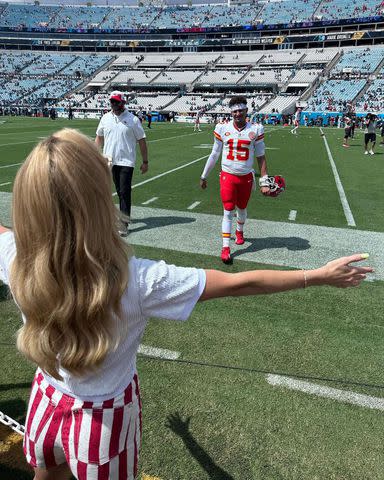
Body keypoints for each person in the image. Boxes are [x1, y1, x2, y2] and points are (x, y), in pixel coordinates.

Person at [0, 128, 373, 480]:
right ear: (99, 202)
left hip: (45, 400)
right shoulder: (137, 280)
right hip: (104, 421)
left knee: (46, 475)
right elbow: (239, 283)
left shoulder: (14, 256)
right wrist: (315, 275)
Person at [199, 95, 271, 264]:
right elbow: (215, 153)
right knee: (228, 209)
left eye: (241, 110)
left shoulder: (256, 129)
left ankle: (239, 231)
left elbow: (261, 156)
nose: (238, 113)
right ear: (231, 113)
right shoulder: (222, 128)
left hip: (246, 176)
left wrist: (264, 180)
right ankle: (225, 248)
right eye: (235, 111)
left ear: (246, 110)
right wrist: (204, 175)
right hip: (228, 175)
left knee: (242, 208)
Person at [95, 91, 148, 237]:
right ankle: (119, 217)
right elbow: (99, 137)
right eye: (112, 101)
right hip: (109, 160)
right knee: (118, 191)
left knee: (124, 192)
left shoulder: (133, 120)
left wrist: (145, 161)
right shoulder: (105, 118)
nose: (114, 104)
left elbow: (142, 140)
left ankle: (123, 224)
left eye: (116, 102)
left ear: (123, 103)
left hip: (126, 162)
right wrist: (95, 155)